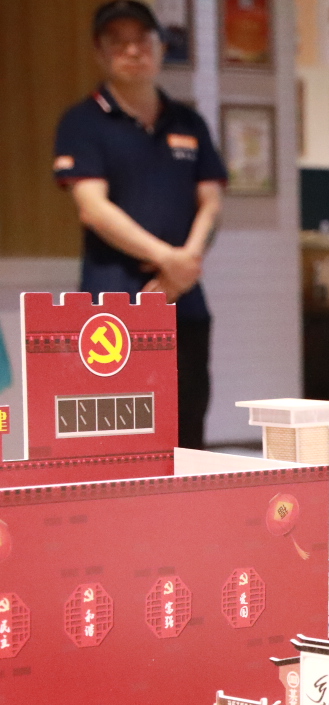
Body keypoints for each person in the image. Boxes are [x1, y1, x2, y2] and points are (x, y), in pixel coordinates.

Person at [53, 0, 226, 447]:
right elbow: (93, 208)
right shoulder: (82, 122)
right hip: (112, 305)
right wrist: (169, 260)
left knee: (187, 425)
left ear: (161, 46)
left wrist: (184, 268)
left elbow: (211, 203)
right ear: (100, 53)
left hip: (185, 303)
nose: (132, 51)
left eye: (142, 40)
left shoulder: (189, 122)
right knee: (117, 436)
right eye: (118, 42)